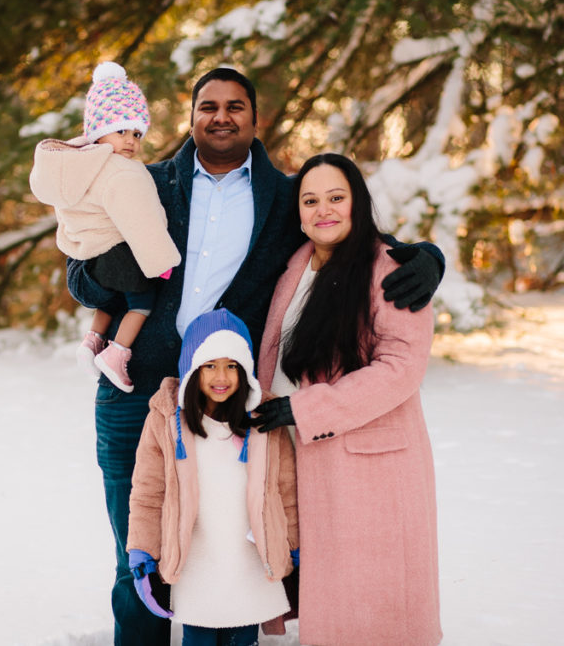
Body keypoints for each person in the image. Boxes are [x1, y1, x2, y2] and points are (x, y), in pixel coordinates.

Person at [65, 66, 444, 646]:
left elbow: (346, 228)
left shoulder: (287, 197)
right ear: (189, 116)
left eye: (235, 105)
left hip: (230, 403)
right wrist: (111, 269)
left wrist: (426, 257)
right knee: (139, 551)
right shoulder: (142, 182)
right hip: (137, 390)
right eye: (208, 105)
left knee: (227, 548)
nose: (221, 116)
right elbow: (80, 274)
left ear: (255, 117)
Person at [247, 152, 442, 645]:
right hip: (300, 451)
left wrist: (305, 408)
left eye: (336, 197)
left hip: (370, 464)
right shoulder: (296, 263)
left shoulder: (389, 269)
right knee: (329, 597)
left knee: (371, 607)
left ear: (358, 201)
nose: (323, 210)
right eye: (310, 200)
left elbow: (401, 369)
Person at [126, 308, 298, 646]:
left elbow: (286, 490)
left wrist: (292, 545)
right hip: (197, 559)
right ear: (192, 369)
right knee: (199, 636)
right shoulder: (166, 421)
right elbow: (147, 492)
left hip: (247, 560)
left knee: (242, 635)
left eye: (232, 366)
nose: (222, 376)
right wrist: (143, 551)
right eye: (210, 365)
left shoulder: (265, 421)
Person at [30, 61, 180, 393]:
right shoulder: (123, 172)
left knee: (112, 299)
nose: (131, 142)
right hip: (119, 252)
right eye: (121, 131)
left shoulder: (74, 165)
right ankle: (117, 353)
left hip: (89, 257)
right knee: (141, 302)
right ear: (99, 131)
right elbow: (143, 222)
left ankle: (93, 339)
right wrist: (163, 265)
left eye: (137, 133)